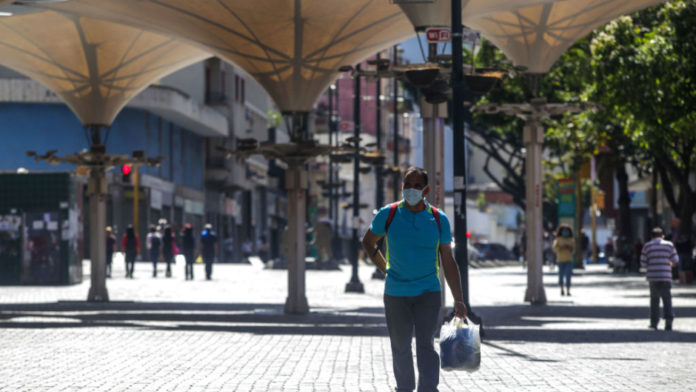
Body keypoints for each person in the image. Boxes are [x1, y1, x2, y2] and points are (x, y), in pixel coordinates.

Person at [361, 166, 466, 392]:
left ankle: (428, 389)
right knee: (400, 347)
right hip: (396, 293)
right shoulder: (388, 214)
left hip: (428, 292)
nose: (411, 190)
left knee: (426, 345)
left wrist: (459, 300)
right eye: (407, 185)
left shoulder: (439, 219)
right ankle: (404, 389)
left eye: (417, 186)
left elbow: (448, 260)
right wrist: (384, 268)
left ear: (426, 190)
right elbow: (368, 241)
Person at [640, 227, 678, 331]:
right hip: (666, 276)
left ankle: (654, 323)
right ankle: (669, 321)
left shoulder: (647, 246)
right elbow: (675, 260)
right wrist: (669, 264)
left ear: (651, 236)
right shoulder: (669, 245)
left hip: (653, 276)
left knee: (654, 300)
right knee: (667, 299)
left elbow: (643, 263)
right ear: (663, 236)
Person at [552, 224, 575, 296]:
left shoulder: (571, 240)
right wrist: (560, 248)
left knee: (568, 276)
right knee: (561, 276)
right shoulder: (558, 239)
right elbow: (554, 248)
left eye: (567, 231)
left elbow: (574, 250)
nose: (565, 232)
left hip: (569, 260)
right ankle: (562, 289)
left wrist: (569, 248)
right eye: (564, 231)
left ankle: (568, 290)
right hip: (560, 260)